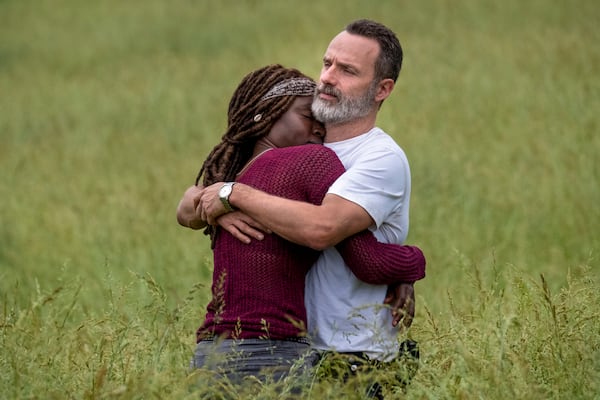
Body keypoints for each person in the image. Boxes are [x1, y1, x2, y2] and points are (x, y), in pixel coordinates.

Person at [190, 19, 419, 396]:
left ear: (382, 89)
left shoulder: (380, 158)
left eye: (347, 70)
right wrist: (213, 200)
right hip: (288, 353)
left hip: (350, 359)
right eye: (327, 63)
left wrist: (235, 194)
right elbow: (194, 201)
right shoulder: (300, 148)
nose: (328, 77)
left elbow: (323, 229)